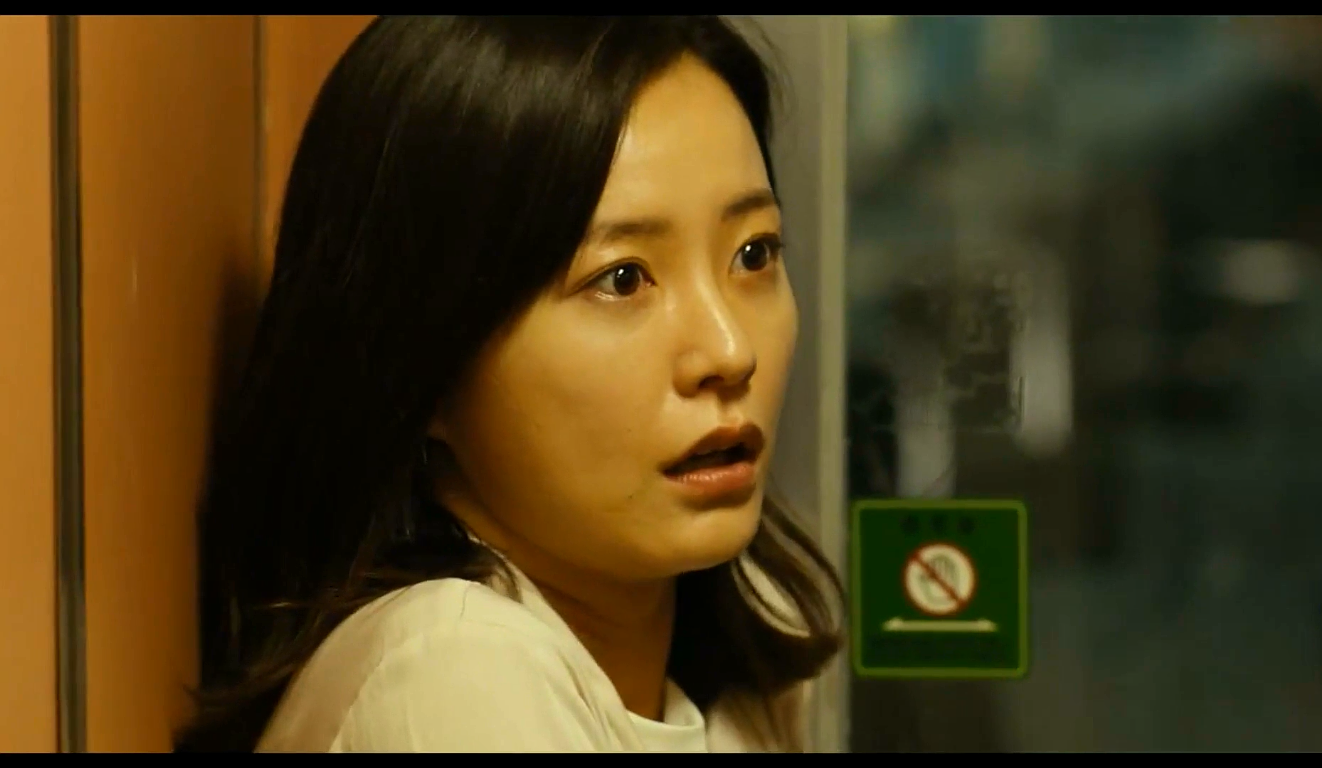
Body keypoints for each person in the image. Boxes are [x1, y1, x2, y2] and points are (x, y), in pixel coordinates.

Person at [173, 16, 843, 753]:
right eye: (622, 279)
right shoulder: (451, 670)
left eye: (754, 253)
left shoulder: (748, 676)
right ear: (425, 361)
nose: (730, 350)